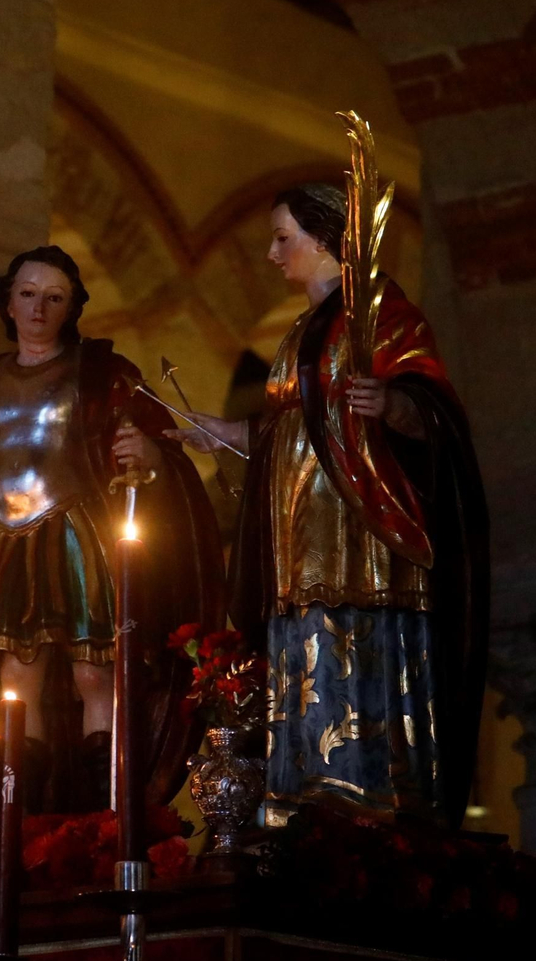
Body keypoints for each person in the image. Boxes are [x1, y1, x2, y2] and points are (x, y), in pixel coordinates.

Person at [167, 186, 488, 827]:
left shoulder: (385, 315)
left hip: (361, 533)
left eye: (283, 237)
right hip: (296, 534)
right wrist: (223, 433)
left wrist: (395, 405)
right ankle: (300, 796)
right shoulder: (299, 333)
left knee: (356, 647)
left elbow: (432, 410)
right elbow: (291, 427)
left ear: (327, 242)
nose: (270, 252)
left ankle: (366, 801)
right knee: (302, 649)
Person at [0, 245, 222, 812]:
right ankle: (23, 813)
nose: (38, 308)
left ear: (72, 308)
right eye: (28, 295)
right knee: (16, 678)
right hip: (8, 538)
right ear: (7, 303)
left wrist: (148, 454)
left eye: (54, 298)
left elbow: (156, 441)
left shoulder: (102, 374)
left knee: (93, 673)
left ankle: (107, 812)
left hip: (80, 533)